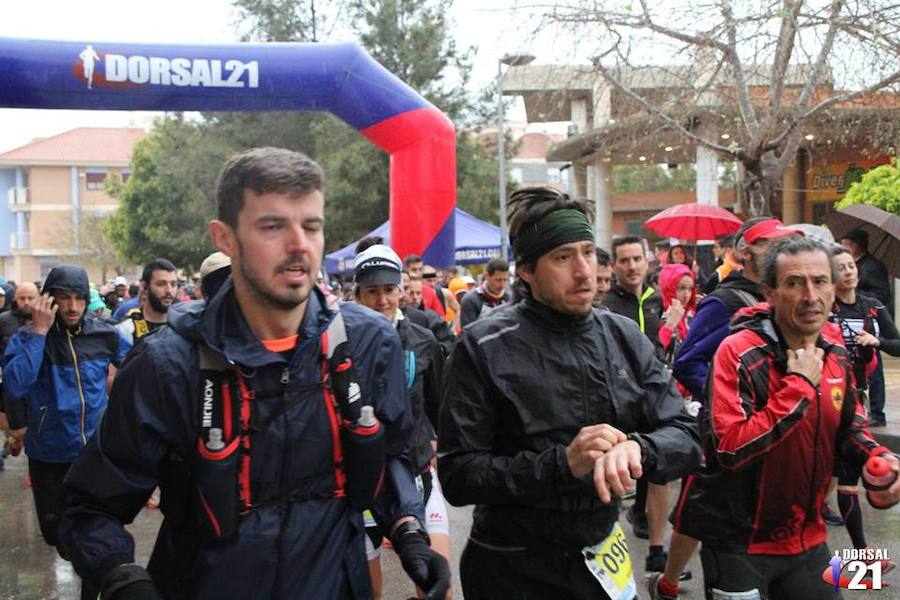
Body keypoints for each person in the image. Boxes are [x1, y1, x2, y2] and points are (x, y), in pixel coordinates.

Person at [57, 147, 449, 600]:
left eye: (311, 226)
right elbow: (89, 507)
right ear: (225, 237)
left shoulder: (368, 344)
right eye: (273, 226)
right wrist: (121, 575)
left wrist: (408, 531)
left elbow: (387, 455)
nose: (299, 244)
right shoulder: (165, 364)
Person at [438, 186, 701, 600]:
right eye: (563, 257)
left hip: (603, 557)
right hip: (513, 568)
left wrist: (640, 449)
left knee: (833, 582)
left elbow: (686, 432)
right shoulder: (483, 346)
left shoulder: (622, 335)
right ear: (526, 270)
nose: (585, 271)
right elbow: (458, 475)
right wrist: (562, 464)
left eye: (588, 252)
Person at [674, 237, 900, 599]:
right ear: (771, 292)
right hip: (740, 544)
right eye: (795, 283)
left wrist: (879, 458)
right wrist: (797, 386)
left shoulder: (834, 350)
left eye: (820, 281)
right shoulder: (737, 352)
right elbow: (730, 448)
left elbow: (851, 427)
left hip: (809, 541)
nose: (811, 296)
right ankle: (668, 582)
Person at [651, 217, 801, 599]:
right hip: (734, 432)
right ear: (744, 253)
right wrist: (733, 397)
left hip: (786, 428)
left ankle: (865, 569)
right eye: (771, 243)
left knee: (806, 525)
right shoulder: (725, 301)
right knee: (704, 510)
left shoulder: (794, 299)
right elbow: (687, 361)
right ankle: (668, 582)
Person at [2, 265, 131, 600]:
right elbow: (15, 385)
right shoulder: (28, 337)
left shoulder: (103, 334)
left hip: (93, 455)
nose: (72, 306)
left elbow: (136, 365)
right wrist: (40, 333)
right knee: (59, 538)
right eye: (63, 298)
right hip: (49, 457)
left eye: (79, 298)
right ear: (49, 300)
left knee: (96, 537)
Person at [352, 242, 451, 600]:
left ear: (401, 290)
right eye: (372, 292)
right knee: (366, 590)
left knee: (438, 585)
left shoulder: (423, 340)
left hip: (418, 472)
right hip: (365, 482)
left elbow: (439, 408)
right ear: (357, 294)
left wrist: (435, 448)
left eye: (389, 290)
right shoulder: (340, 343)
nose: (382, 301)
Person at [603, 236, 673, 574]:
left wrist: (668, 334)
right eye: (624, 260)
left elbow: (655, 348)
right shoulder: (605, 306)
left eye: (636, 259)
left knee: (660, 467)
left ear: (647, 262)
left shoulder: (654, 299)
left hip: (654, 396)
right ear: (615, 266)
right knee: (620, 474)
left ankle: (657, 553)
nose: (631, 266)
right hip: (620, 401)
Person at [827, 244, 900, 563]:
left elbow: (897, 345)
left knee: (843, 471)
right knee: (845, 471)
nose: (849, 272)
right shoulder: (825, 308)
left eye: (851, 267)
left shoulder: (871, 307)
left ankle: (859, 557)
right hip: (830, 396)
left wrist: (877, 341)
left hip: (859, 398)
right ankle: (860, 556)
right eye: (841, 268)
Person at [841, 228, 892, 427]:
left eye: (844, 244)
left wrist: (858, 295)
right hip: (851, 325)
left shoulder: (873, 266)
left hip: (868, 324)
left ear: (854, 246)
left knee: (874, 368)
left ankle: (877, 414)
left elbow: (882, 294)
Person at [0, 282, 39, 464]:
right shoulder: (4, 321)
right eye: (22, 298)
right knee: (16, 428)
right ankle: (14, 442)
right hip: (10, 383)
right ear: (15, 299)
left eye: (30, 298)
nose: (26, 302)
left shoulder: (45, 322)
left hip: (36, 383)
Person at [115, 259, 178, 345]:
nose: (169, 290)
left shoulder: (182, 326)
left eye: (173, 284)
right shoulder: (127, 329)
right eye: (161, 284)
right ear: (145, 286)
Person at [459, 258, 510, 328]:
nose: (502, 285)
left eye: (505, 280)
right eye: (498, 280)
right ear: (487, 276)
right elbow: (467, 333)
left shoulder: (508, 298)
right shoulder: (470, 300)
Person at [405, 254, 446, 318]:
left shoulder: (429, 291)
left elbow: (441, 316)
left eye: (420, 269)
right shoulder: (399, 290)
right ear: (406, 269)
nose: (418, 273)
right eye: (414, 269)